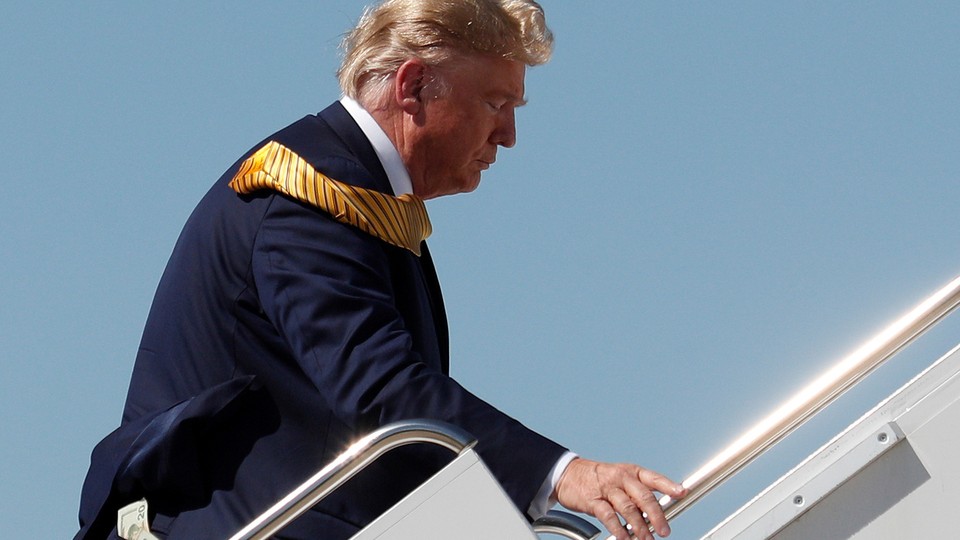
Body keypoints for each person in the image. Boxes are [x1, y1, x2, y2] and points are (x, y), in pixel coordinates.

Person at [75, 1, 686, 539]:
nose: (509, 135)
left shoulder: (359, 196)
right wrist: (562, 474)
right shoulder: (307, 196)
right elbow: (382, 391)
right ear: (413, 87)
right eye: (496, 103)